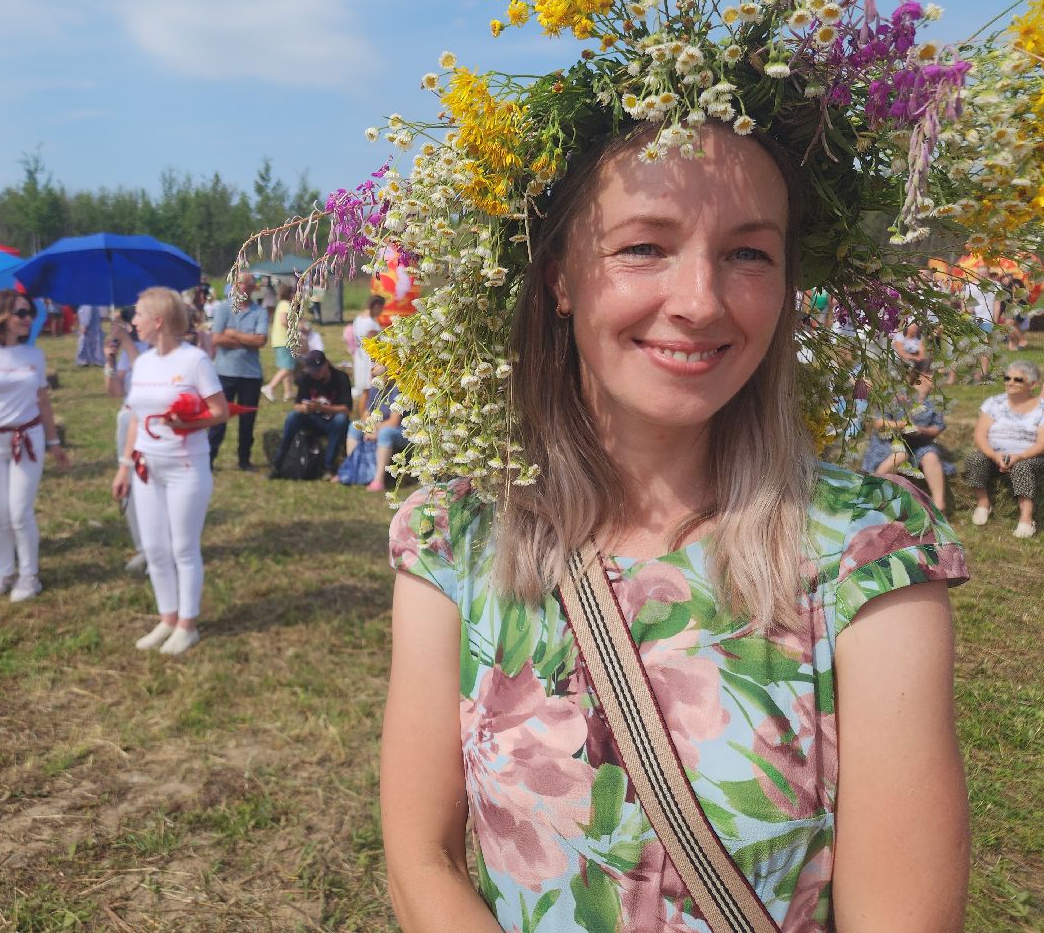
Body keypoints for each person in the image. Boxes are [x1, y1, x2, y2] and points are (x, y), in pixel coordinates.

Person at [380, 133, 969, 928]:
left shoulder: (868, 549)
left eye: (749, 255)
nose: (700, 300)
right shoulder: (456, 536)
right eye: (645, 246)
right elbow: (424, 859)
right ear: (559, 277)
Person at [111, 287, 228, 656]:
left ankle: (187, 624)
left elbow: (220, 411)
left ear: (157, 321)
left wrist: (187, 425)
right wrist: (124, 467)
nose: (133, 322)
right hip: (147, 468)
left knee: (182, 547)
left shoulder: (194, 361)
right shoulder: (142, 362)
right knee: (156, 547)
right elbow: (135, 418)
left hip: (185, 468)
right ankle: (167, 617)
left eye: (139, 316)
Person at [0, 290, 68, 603]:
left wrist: (54, 442)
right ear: (0, 315)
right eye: (21, 313)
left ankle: (29, 576)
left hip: (26, 438)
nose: (27, 319)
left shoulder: (33, 355)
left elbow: (43, 400)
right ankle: (4, 573)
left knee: (19, 512)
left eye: (29, 313)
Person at [963, 361, 1044, 538]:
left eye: (1017, 379)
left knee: (1023, 467)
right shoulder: (993, 402)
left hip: (1029, 455)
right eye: (1007, 378)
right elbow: (980, 435)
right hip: (996, 453)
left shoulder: (1041, 408)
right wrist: (994, 454)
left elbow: (1041, 443)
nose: (1010, 382)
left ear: (1032, 384)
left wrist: (1019, 456)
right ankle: (983, 504)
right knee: (974, 459)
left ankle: (1026, 519)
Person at [861, 371, 953, 510]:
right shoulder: (896, 393)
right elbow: (879, 423)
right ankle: (873, 494)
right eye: (938, 374)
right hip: (889, 440)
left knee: (931, 456)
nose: (942, 378)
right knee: (900, 454)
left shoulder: (937, 400)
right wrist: (901, 425)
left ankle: (939, 506)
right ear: (922, 374)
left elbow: (938, 427)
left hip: (918, 443)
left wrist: (921, 430)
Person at [104, 306, 149, 573]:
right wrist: (110, 362)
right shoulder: (129, 351)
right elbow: (115, 391)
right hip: (129, 418)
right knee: (129, 482)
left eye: (134, 319)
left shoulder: (159, 349)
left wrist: (128, 341)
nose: (133, 323)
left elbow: (144, 372)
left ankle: (160, 546)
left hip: (155, 422)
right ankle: (142, 546)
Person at [208, 271, 268, 471]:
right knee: (218, 417)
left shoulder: (260, 312)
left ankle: (244, 460)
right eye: (239, 284)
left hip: (250, 375)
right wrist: (247, 340)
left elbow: (260, 341)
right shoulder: (223, 309)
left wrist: (232, 333)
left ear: (252, 288)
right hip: (224, 372)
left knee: (247, 420)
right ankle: (209, 459)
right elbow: (216, 339)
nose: (242, 287)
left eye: (246, 284)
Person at [272, 350, 352, 477]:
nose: (314, 374)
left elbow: (346, 409)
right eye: (312, 371)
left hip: (332, 422)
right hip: (313, 419)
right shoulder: (306, 378)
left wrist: (321, 408)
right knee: (293, 416)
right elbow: (296, 405)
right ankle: (278, 462)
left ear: (326, 365)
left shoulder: (341, 378)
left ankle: (328, 466)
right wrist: (305, 408)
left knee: (341, 419)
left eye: (317, 371)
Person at [349, 294, 385, 418]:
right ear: (376, 306)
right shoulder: (370, 324)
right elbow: (374, 344)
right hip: (368, 358)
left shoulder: (358, 318)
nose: (381, 312)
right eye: (381, 308)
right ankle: (364, 416)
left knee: (364, 389)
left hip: (359, 356)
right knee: (367, 390)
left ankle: (362, 415)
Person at [261, 281, 298, 403]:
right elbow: (283, 321)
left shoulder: (281, 304)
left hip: (279, 341)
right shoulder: (286, 305)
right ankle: (269, 387)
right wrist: (294, 328)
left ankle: (288, 393)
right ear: (290, 294)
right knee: (288, 367)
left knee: (286, 367)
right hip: (284, 340)